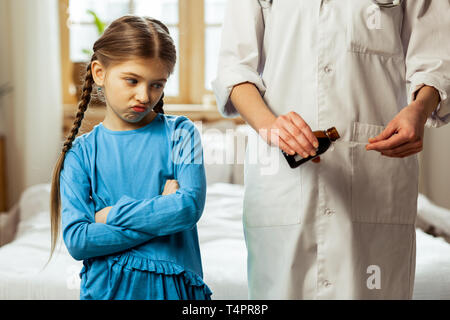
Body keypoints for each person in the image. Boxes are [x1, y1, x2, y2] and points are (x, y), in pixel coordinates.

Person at [212, 0, 449, 299]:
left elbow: (436, 55)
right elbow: (234, 68)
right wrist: (270, 125)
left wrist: (419, 107)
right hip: (283, 181)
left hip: (373, 173)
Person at [48, 15, 212, 300]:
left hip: (176, 292)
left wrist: (110, 215)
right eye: (132, 80)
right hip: (107, 291)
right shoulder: (80, 153)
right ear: (100, 73)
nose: (144, 96)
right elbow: (77, 241)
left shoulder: (181, 133)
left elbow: (187, 208)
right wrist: (162, 209)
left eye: (157, 84)